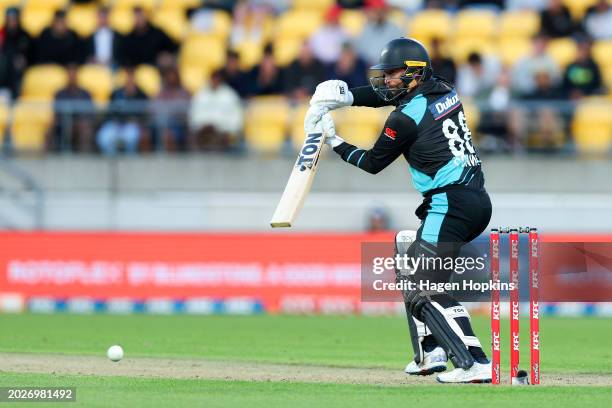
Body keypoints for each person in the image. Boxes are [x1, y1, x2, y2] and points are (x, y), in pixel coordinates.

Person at [306, 38, 492, 383]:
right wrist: (346, 98)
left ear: (414, 73)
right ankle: (431, 352)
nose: (386, 81)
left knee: (423, 288)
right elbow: (387, 96)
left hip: (449, 204)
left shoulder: (404, 119)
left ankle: (476, 364)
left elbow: (374, 163)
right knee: (408, 252)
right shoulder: (444, 90)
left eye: (393, 74)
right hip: (472, 200)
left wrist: (334, 142)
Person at [97, 67, 148, 155]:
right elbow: (109, 112)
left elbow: (144, 114)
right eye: (127, 76)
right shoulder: (116, 93)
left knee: (132, 137)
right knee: (103, 137)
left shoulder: (141, 94)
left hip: (132, 125)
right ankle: (110, 162)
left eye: (131, 76)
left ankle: (130, 162)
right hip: (115, 124)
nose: (129, 79)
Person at [188, 69, 243, 150]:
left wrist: (223, 128)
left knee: (218, 139)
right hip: (203, 131)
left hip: (222, 131)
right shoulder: (201, 94)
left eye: (217, 79)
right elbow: (194, 114)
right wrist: (203, 125)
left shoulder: (230, 95)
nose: (215, 81)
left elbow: (236, 117)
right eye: (213, 78)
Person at [50, 64, 95, 152]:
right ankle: (47, 160)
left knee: (84, 128)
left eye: (73, 74)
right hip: (63, 123)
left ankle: (85, 156)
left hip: (81, 123)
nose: (72, 76)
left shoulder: (85, 94)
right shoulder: (59, 94)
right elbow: (56, 114)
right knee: (49, 130)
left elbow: (90, 114)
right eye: (70, 74)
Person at [0, 7, 32, 99]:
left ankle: (15, 95)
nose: (12, 22)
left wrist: (25, 60)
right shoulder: (1, 34)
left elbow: (32, 55)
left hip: (18, 75)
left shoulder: (25, 36)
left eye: (14, 19)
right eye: (9, 19)